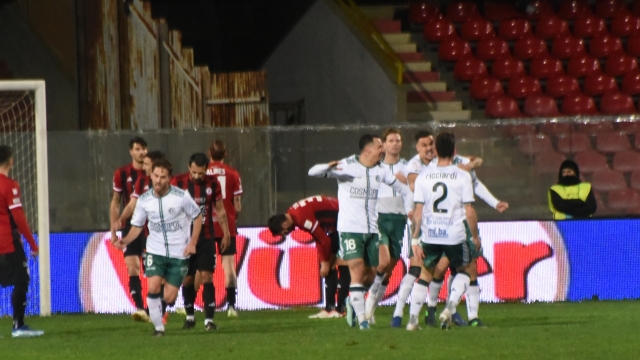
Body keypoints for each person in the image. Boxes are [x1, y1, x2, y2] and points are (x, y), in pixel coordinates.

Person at [308, 134, 412, 330]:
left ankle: (352, 301)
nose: (383, 150)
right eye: (380, 146)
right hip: (349, 230)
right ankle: (363, 320)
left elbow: (404, 190)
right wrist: (327, 167)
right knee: (356, 268)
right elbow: (312, 172)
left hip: (372, 229)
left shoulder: (381, 170)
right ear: (368, 150)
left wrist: (416, 204)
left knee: (374, 273)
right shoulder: (347, 167)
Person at [115, 158, 202, 337]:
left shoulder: (181, 196)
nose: (158, 180)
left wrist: (193, 242)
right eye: (155, 176)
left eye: (163, 177)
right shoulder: (144, 200)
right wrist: (125, 241)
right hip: (155, 250)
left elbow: (197, 216)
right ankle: (158, 329)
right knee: (153, 287)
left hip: (179, 252)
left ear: (169, 178)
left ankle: (161, 314)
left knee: (169, 297)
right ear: (151, 175)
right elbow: (137, 226)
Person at [407, 132, 481, 331]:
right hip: (455, 235)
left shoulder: (424, 176)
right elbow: (469, 210)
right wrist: (474, 236)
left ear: (436, 151)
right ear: (454, 150)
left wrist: (415, 240)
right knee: (466, 270)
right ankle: (449, 308)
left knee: (425, 275)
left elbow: (418, 211)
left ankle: (412, 321)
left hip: (431, 234)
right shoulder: (462, 175)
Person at [171, 153, 230, 331]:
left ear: (206, 170)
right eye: (194, 172)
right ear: (189, 167)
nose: (197, 177)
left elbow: (220, 210)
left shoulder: (213, 183)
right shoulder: (177, 182)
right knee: (188, 279)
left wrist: (226, 233)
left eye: (201, 173)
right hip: (184, 239)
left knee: (207, 277)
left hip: (206, 237)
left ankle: (209, 320)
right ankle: (190, 317)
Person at [268, 195, 350, 318]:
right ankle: (329, 309)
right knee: (328, 265)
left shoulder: (301, 218)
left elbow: (324, 241)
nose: (286, 234)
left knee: (342, 263)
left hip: (347, 222)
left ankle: (340, 310)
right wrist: (324, 261)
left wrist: (325, 262)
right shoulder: (294, 214)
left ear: (284, 225)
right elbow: (319, 238)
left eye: (283, 233)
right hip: (338, 225)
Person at [364, 128, 411, 324]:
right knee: (382, 264)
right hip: (380, 219)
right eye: (391, 140)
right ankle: (366, 307)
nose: (395, 144)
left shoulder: (409, 167)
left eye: (398, 140)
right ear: (383, 145)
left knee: (389, 269)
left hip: (399, 220)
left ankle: (371, 308)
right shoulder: (375, 168)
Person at [0, 145, 43, 338]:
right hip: (7, 242)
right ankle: (18, 325)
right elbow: (19, 219)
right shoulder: (9, 186)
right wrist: (33, 244)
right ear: (11, 161)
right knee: (22, 279)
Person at [109, 137, 148, 321]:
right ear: (131, 152)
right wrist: (114, 227)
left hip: (152, 228)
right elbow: (116, 201)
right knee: (132, 267)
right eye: (137, 149)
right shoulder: (122, 173)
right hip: (130, 227)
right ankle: (140, 308)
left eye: (143, 149)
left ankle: (160, 307)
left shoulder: (155, 174)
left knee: (156, 272)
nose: (141, 152)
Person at [206, 140, 242, 317]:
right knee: (229, 267)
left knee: (205, 267)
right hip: (226, 225)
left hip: (206, 225)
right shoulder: (233, 174)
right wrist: (233, 218)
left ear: (209, 153)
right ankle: (231, 306)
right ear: (225, 155)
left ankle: (203, 304)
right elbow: (237, 204)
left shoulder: (202, 172)